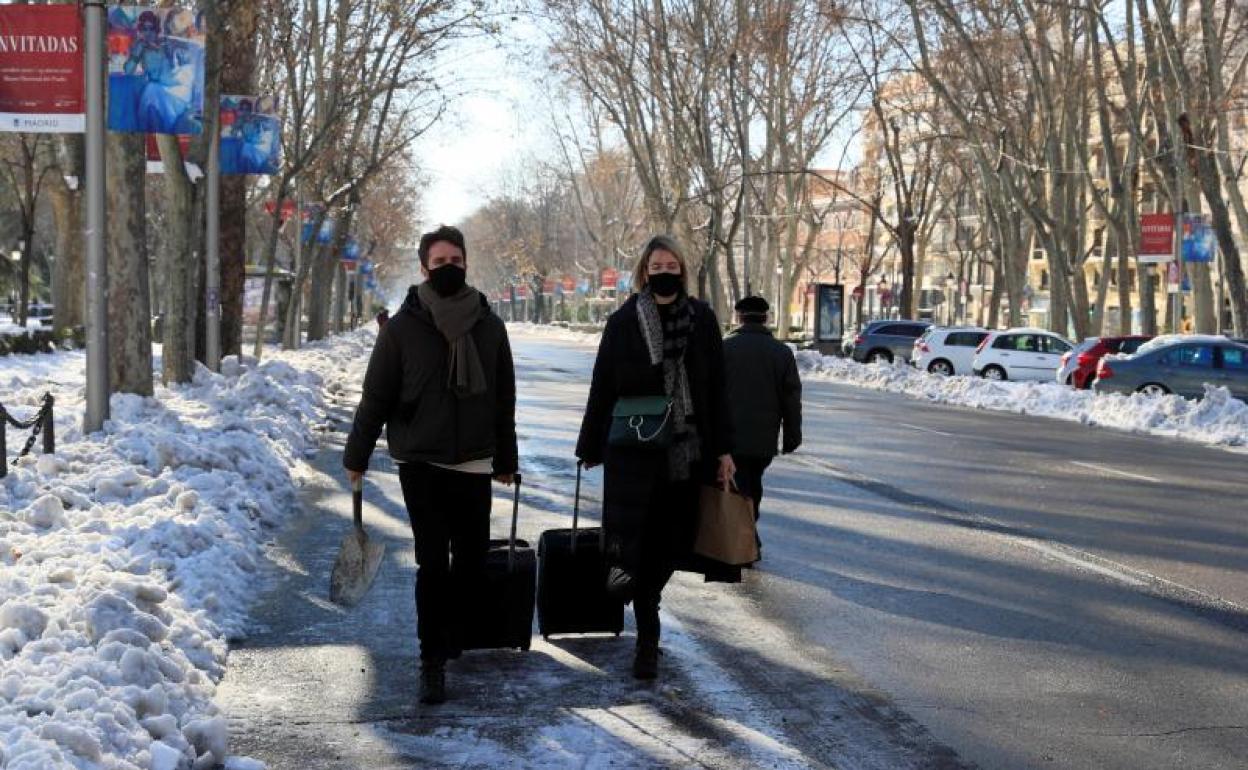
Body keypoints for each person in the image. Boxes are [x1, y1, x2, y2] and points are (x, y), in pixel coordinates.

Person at [343, 225, 517, 706]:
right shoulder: (402, 329)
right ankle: (431, 660)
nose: (448, 267)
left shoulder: (489, 325)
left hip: (475, 461)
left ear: (466, 263)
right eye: (439, 261)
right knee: (432, 563)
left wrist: (506, 457)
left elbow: (504, 398)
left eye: (455, 259)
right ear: (424, 268)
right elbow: (375, 397)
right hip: (420, 461)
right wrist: (356, 457)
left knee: (472, 559)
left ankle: (452, 631)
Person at [576, 234, 735, 681]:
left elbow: (717, 390)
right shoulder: (624, 320)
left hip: (687, 452)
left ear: (681, 270)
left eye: (671, 267)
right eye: (656, 267)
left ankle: (646, 597)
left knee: (673, 544)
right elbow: (602, 385)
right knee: (635, 543)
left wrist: (724, 449)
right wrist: (589, 444)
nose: (664, 273)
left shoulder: (702, 319)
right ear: (643, 272)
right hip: (634, 451)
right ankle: (647, 636)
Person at [723, 296, 802, 557]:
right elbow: (791, 399)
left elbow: (709, 394)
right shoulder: (781, 353)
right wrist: (792, 436)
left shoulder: (724, 348)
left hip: (728, 437)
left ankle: (743, 541)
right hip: (763, 439)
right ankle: (747, 538)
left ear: (738, 317)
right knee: (752, 484)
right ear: (766, 318)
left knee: (737, 487)